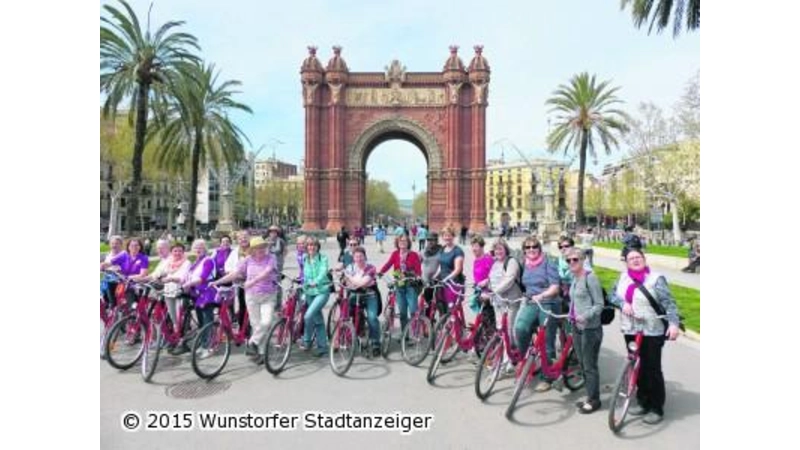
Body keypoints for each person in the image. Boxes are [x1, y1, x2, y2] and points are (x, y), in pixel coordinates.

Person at [609, 248, 682, 425]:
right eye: (631, 258)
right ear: (626, 262)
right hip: (630, 329)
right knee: (635, 365)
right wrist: (623, 303)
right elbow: (612, 295)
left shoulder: (656, 279)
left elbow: (669, 303)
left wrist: (673, 324)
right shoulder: (622, 277)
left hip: (652, 329)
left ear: (644, 259)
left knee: (651, 368)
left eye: (638, 257)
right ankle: (643, 401)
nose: (635, 260)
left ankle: (656, 407)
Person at [212, 236, 279, 363]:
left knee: (266, 322)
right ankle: (261, 352)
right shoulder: (247, 260)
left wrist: (252, 281)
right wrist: (218, 281)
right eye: (257, 248)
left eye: (262, 247)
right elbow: (235, 273)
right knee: (256, 325)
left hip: (268, 295)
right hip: (252, 296)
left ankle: (252, 342)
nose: (261, 250)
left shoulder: (271, 258)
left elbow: (267, 271)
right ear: (252, 250)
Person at [515, 236, 561, 392]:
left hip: (548, 303)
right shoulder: (525, 264)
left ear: (539, 248)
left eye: (534, 246)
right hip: (531, 302)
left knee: (546, 338)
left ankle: (547, 377)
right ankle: (526, 359)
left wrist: (542, 296)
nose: (531, 250)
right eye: (527, 248)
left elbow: (555, 287)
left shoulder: (548, 263)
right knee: (520, 328)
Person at [565, 247, 604, 414]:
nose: (572, 262)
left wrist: (585, 316)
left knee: (589, 365)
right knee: (582, 364)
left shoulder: (590, 277)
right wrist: (570, 314)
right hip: (576, 327)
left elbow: (599, 305)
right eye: (569, 260)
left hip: (590, 328)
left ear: (582, 260)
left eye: (575, 259)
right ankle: (590, 395)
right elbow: (575, 301)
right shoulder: (574, 278)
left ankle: (594, 400)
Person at [176, 239, 215, 356]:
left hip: (207, 293)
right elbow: (189, 276)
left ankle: (208, 347)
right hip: (197, 294)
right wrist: (185, 281)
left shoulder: (208, 261)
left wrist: (189, 284)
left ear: (205, 248)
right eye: (196, 247)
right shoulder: (196, 262)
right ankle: (203, 344)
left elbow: (203, 277)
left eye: (201, 247)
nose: (198, 249)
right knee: (201, 322)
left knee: (207, 321)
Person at [377, 234, 422, 334]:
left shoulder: (414, 255)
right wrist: (381, 272)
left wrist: (417, 276)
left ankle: (415, 333)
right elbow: (388, 264)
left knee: (413, 310)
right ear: (397, 242)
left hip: (410, 285)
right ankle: (404, 335)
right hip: (399, 285)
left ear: (408, 242)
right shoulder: (395, 254)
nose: (403, 242)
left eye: (405, 240)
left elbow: (418, 270)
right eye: (401, 240)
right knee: (402, 313)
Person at [343, 246, 382, 356]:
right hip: (355, 295)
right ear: (353, 258)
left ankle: (375, 343)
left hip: (370, 295)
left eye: (361, 256)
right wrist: (352, 280)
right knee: (348, 313)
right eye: (356, 256)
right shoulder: (350, 267)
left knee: (372, 318)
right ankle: (358, 333)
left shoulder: (371, 268)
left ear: (365, 257)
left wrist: (350, 278)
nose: (359, 259)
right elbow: (347, 283)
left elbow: (362, 283)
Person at [148, 242, 191, 341]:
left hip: (180, 291)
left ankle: (180, 337)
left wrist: (171, 279)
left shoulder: (186, 262)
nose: (177, 253)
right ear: (171, 252)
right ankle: (174, 335)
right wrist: (155, 277)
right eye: (175, 251)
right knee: (173, 317)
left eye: (180, 251)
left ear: (183, 252)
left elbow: (183, 276)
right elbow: (160, 272)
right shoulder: (169, 262)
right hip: (168, 290)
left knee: (178, 316)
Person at [486, 238, 523, 348]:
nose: (498, 252)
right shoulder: (495, 263)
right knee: (500, 328)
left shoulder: (511, 262)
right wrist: (484, 284)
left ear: (506, 250)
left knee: (509, 329)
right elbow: (491, 279)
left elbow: (509, 280)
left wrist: (494, 291)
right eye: (496, 249)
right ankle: (503, 354)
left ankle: (514, 355)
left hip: (511, 301)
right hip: (498, 302)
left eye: (500, 249)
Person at [301, 237, 331, 356]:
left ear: (317, 247)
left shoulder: (323, 258)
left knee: (308, 316)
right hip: (309, 292)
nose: (311, 247)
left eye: (313, 245)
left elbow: (323, 271)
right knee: (317, 320)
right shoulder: (305, 258)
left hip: (321, 290)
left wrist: (316, 281)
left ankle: (307, 340)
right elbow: (305, 274)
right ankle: (322, 347)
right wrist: (303, 282)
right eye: (309, 245)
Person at [434, 226, 465, 310]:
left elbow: (457, 269)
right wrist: (434, 277)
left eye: (449, 235)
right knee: (442, 308)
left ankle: (459, 323)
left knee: (452, 310)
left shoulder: (457, 251)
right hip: (442, 283)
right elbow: (441, 267)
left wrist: (447, 278)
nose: (447, 237)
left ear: (453, 236)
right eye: (445, 235)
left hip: (453, 283)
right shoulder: (442, 249)